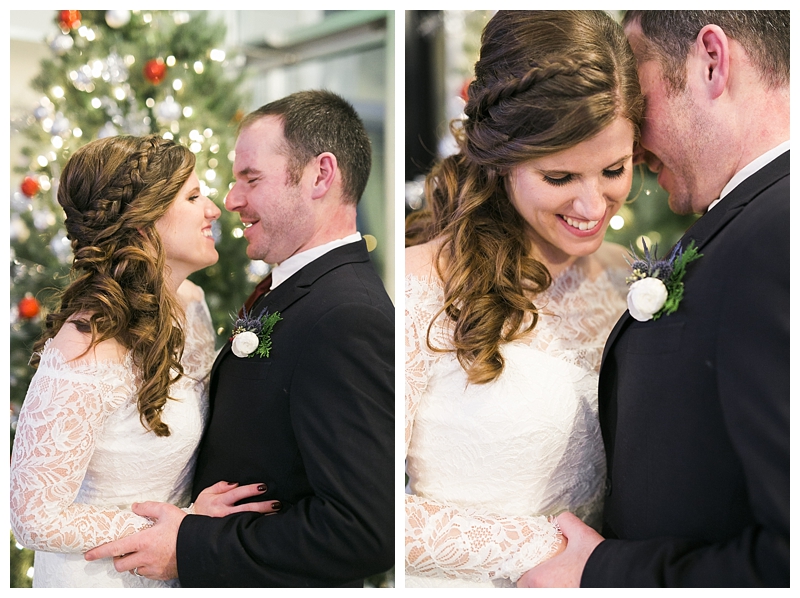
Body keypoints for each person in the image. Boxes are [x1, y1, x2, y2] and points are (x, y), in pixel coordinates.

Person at [518, 10, 789, 588]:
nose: (631, 143)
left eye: (636, 92)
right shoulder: (753, 219)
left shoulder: (775, 233)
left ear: (710, 61)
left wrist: (608, 572)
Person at [84, 90, 395, 587]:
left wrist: (192, 545)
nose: (229, 201)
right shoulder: (293, 288)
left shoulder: (346, 315)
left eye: (251, 179)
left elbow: (364, 531)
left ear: (321, 175)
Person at [404, 10, 643, 587]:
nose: (592, 207)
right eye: (559, 178)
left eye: (614, 170)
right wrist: (553, 550)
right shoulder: (417, 289)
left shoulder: (627, 277)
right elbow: (365, 505)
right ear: (500, 157)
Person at [10, 134, 277, 588]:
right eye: (193, 197)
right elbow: (33, 518)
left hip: (177, 569)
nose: (214, 209)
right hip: (100, 577)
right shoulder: (85, 346)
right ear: (143, 223)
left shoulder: (191, 305)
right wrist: (184, 525)